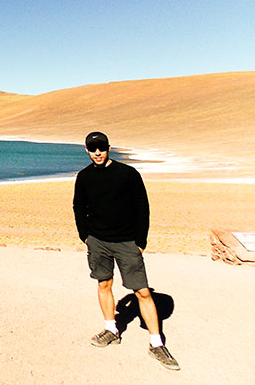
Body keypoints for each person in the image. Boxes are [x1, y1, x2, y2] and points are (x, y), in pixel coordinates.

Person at [73, 131, 180, 371]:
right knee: (103, 284)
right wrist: (85, 236)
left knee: (142, 291)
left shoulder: (127, 174)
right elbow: (78, 206)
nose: (97, 152)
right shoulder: (84, 176)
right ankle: (111, 330)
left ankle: (156, 343)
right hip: (98, 241)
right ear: (87, 151)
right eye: (92, 149)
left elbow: (142, 207)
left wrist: (140, 241)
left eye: (101, 148)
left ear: (108, 148)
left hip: (126, 242)